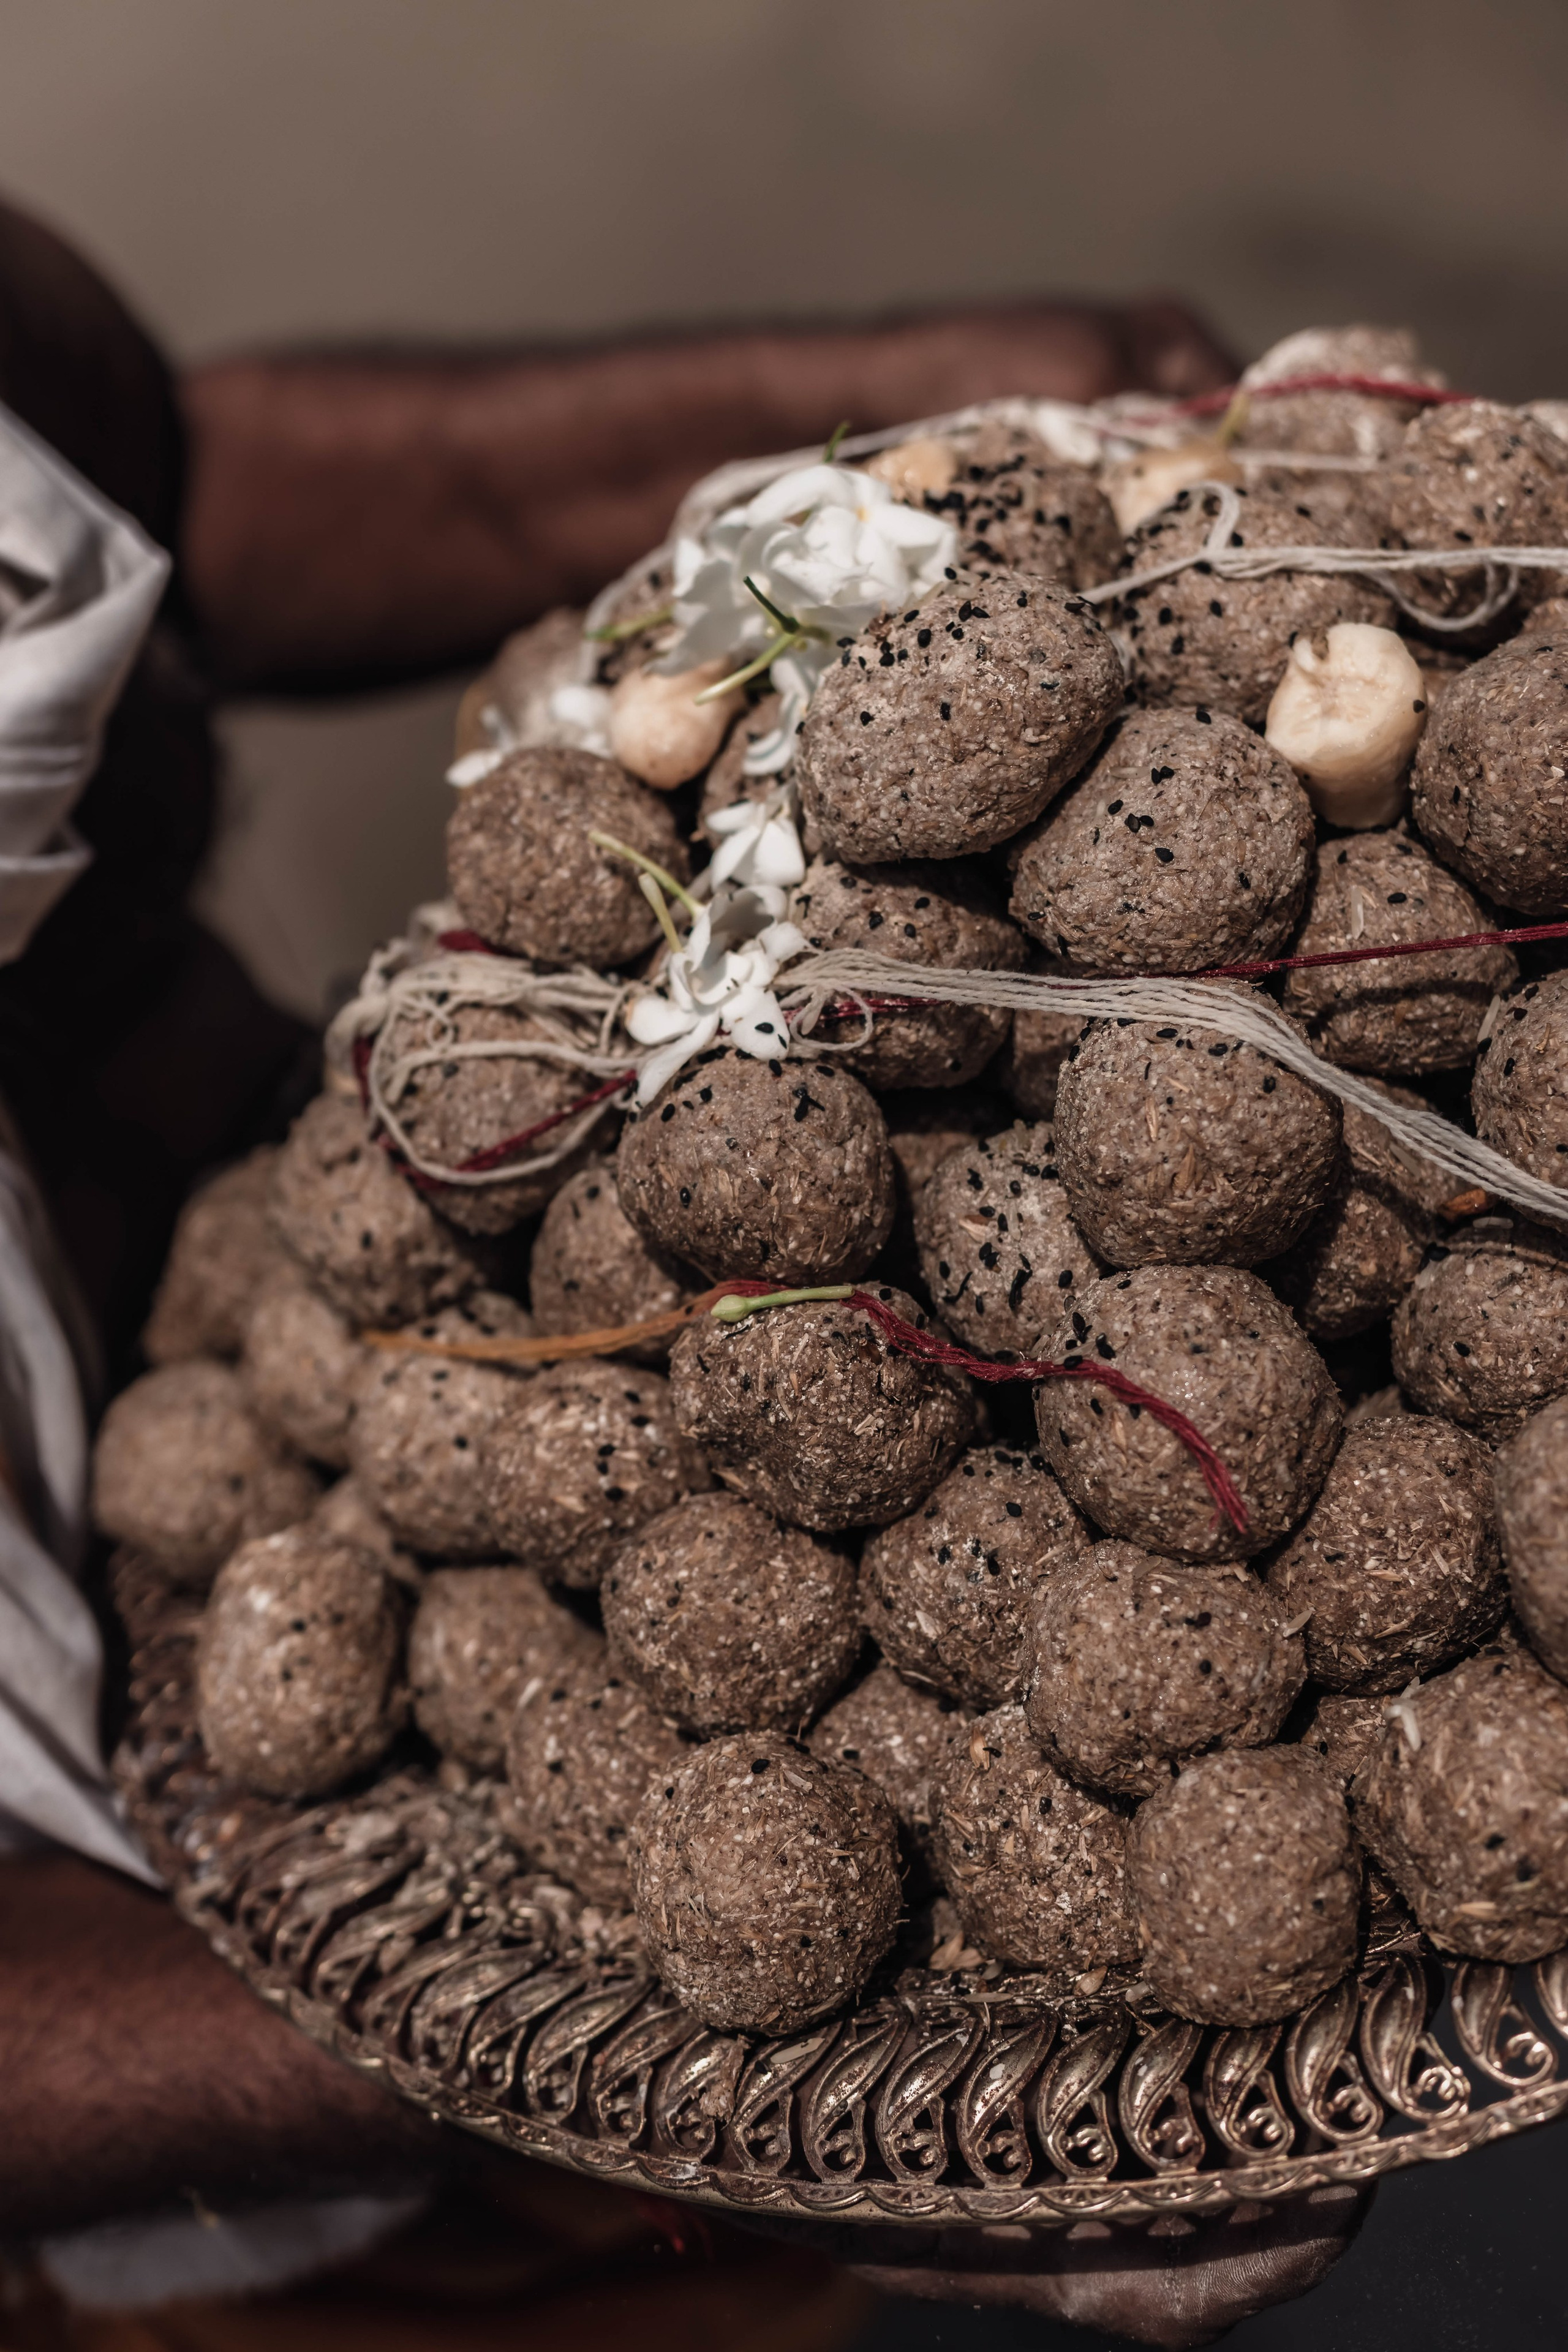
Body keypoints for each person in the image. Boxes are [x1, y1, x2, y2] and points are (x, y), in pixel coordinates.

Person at [0, 191, 1371, 2343]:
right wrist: (620, 2077)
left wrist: (872, 444)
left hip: (402, 1362)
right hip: (188, 2084)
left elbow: (156, 483)